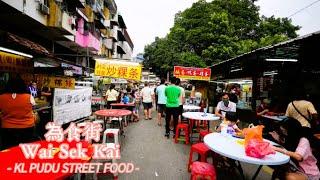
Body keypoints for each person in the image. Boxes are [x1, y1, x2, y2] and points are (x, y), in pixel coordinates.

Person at [0, 75, 37, 150]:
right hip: (27, 128)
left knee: (9, 149)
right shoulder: (29, 97)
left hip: (7, 128)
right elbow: (33, 108)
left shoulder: (1, 97)